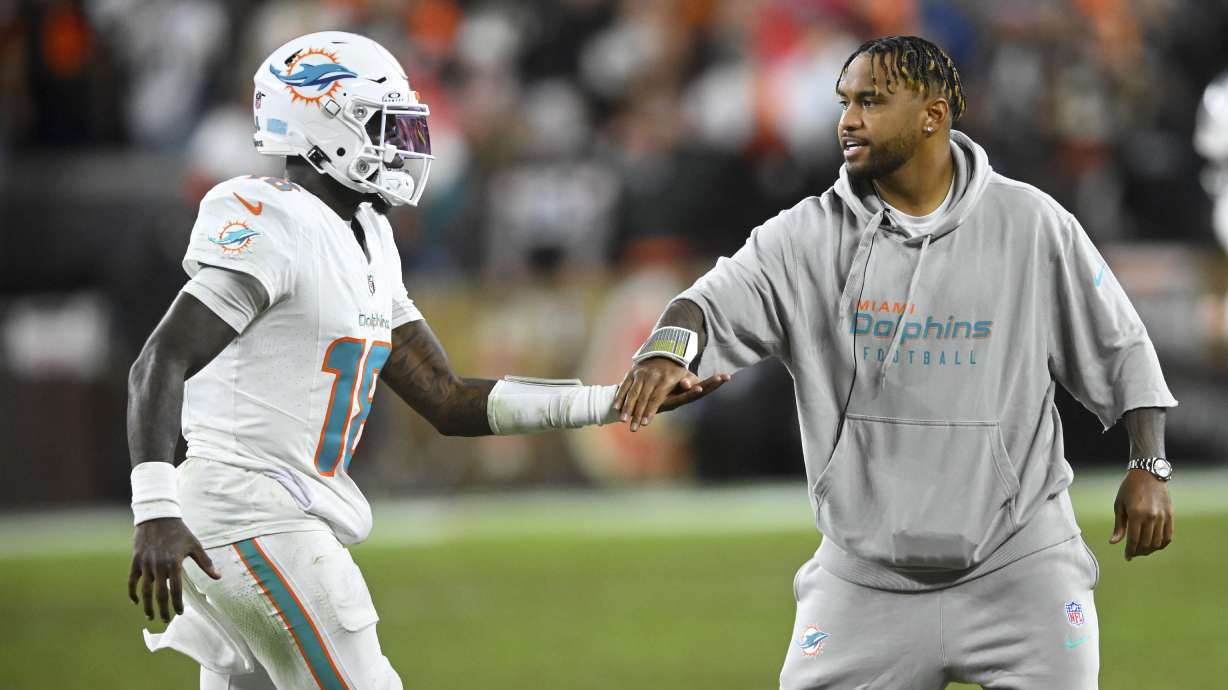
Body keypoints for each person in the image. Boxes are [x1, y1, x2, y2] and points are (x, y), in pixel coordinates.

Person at [125, 31, 724, 690]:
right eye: (383, 124)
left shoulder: (371, 235)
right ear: (323, 126)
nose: (404, 143)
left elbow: (448, 398)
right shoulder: (272, 218)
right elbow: (161, 359)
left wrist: (611, 400)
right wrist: (154, 507)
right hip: (249, 512)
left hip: (267, 516)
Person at [615, 35, 1176, 689]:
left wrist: (1149, 465)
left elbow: (1120, 345)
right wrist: (663, 351)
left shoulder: (1030, 224)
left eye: (872, 102)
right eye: (844, 101)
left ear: (932, 115)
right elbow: (704, 305)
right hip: (865, 577)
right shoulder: (805, 236)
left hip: (1021, 566)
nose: (847, 119)